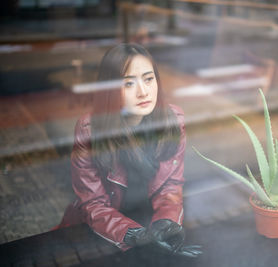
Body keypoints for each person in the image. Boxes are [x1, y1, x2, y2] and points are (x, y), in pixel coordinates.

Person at [55, 43, 201, 258]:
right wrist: (134, 235)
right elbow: (93, 203)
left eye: (149, 79)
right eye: (129, 83)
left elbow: (171, 186)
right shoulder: (89, 130)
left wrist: (166, 223)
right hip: (105, 230)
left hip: (152, 219)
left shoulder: (173, 120)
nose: (143, 92)